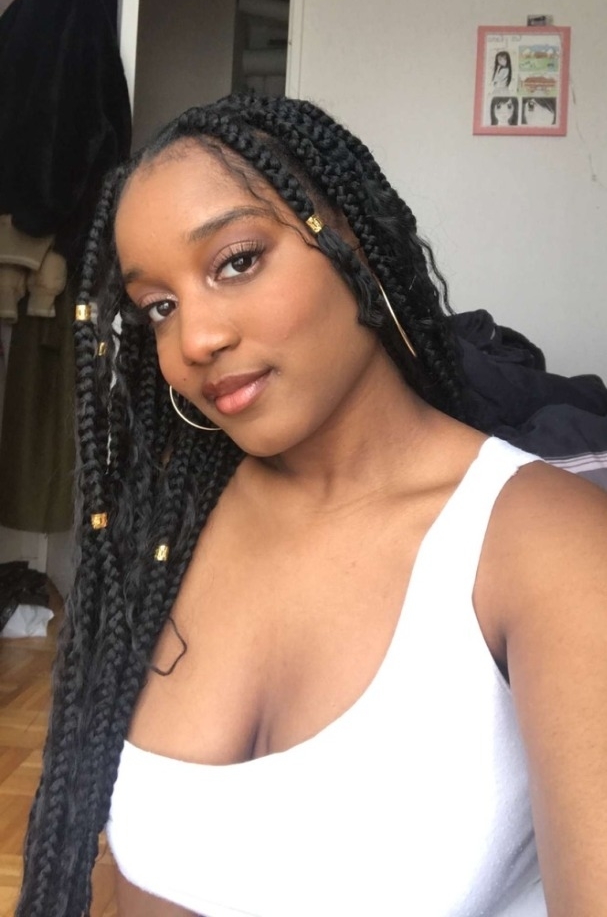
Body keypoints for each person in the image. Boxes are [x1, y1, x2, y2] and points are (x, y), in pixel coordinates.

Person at [17, 94, 607, 917]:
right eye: (159, 307)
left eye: (235, 261)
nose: (195, 341)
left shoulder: (544, 546)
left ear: (350, 240)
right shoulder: (161, 538)